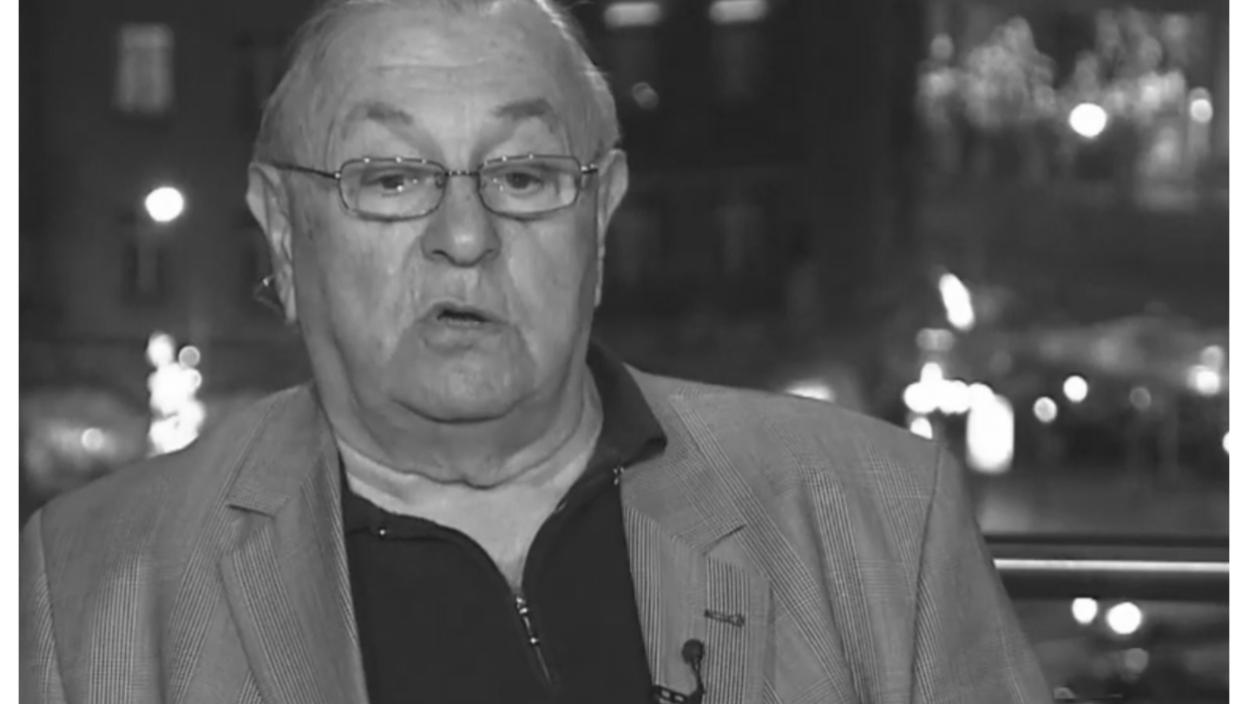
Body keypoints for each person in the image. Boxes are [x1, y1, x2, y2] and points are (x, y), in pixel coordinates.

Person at [19, 1, 1053, 702]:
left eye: (522, 176)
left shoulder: (878, 518)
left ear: (600, 217)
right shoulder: (91, 586)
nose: (466, 237)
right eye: (390, 178)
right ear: (284, 232)